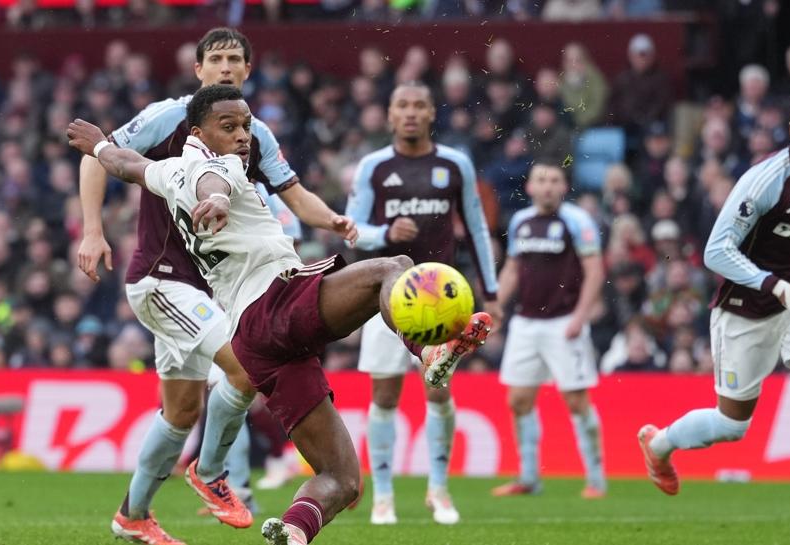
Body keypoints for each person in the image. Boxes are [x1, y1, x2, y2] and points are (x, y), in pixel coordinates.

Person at [67, 84, 493, 545]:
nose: (242, 136)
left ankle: (292, 531)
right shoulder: (221, 166)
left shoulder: (168, 171)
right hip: (276, 302)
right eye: (229, 126)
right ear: (198, 133)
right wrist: (219, 199)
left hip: (256, 341)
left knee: (342, 478)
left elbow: (127, 164)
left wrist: (100, 146)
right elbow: (214, 183)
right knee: (395, 267)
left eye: (246, 126)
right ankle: (428, 351)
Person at [77, 28, 284, 544]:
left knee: (181, 412)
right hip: (162, 282)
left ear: (249, 69)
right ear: (198, 70)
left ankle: (132, 516)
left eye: (235, 59)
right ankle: (210, 472)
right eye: (216, 59)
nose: (225, 67)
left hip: (196, 290)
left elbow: (279, 194)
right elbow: (101, 156)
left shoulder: (246, 139)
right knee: (245, 366)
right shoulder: (169, 118)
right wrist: (93, 231)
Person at [637, 90, 790, 545]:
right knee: (732, 425)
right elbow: (715, 251)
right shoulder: (765, 181)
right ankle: (659, 444)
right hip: (746, 308)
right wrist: (780, 288)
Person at [345, 81, 500, 526]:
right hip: (385, 299)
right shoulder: (374, 167)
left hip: (443, 301)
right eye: (402, 105)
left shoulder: (454, 164)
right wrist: (386, 233)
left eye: (419, 105)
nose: (411, 112)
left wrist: (491, 293)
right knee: (384, 395)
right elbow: (352, 229)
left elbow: (477, 228)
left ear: (432, 113)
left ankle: (439, 488)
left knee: (439, 390)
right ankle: (384, 497)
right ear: (390, 115)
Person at [490, 163, 607, 499]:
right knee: (518, 400)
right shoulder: (520, 221)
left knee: (576, 400)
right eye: (541, 180)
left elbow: (595, 271)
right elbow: (513, 268)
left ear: (564, 187)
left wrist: (580, 317)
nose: (548, 186)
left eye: (554, 180)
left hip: (563, 322)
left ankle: (596, 478)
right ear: (530, 187)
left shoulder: (577, 221)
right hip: (526, 322)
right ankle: (528, 477)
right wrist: (496, 305)